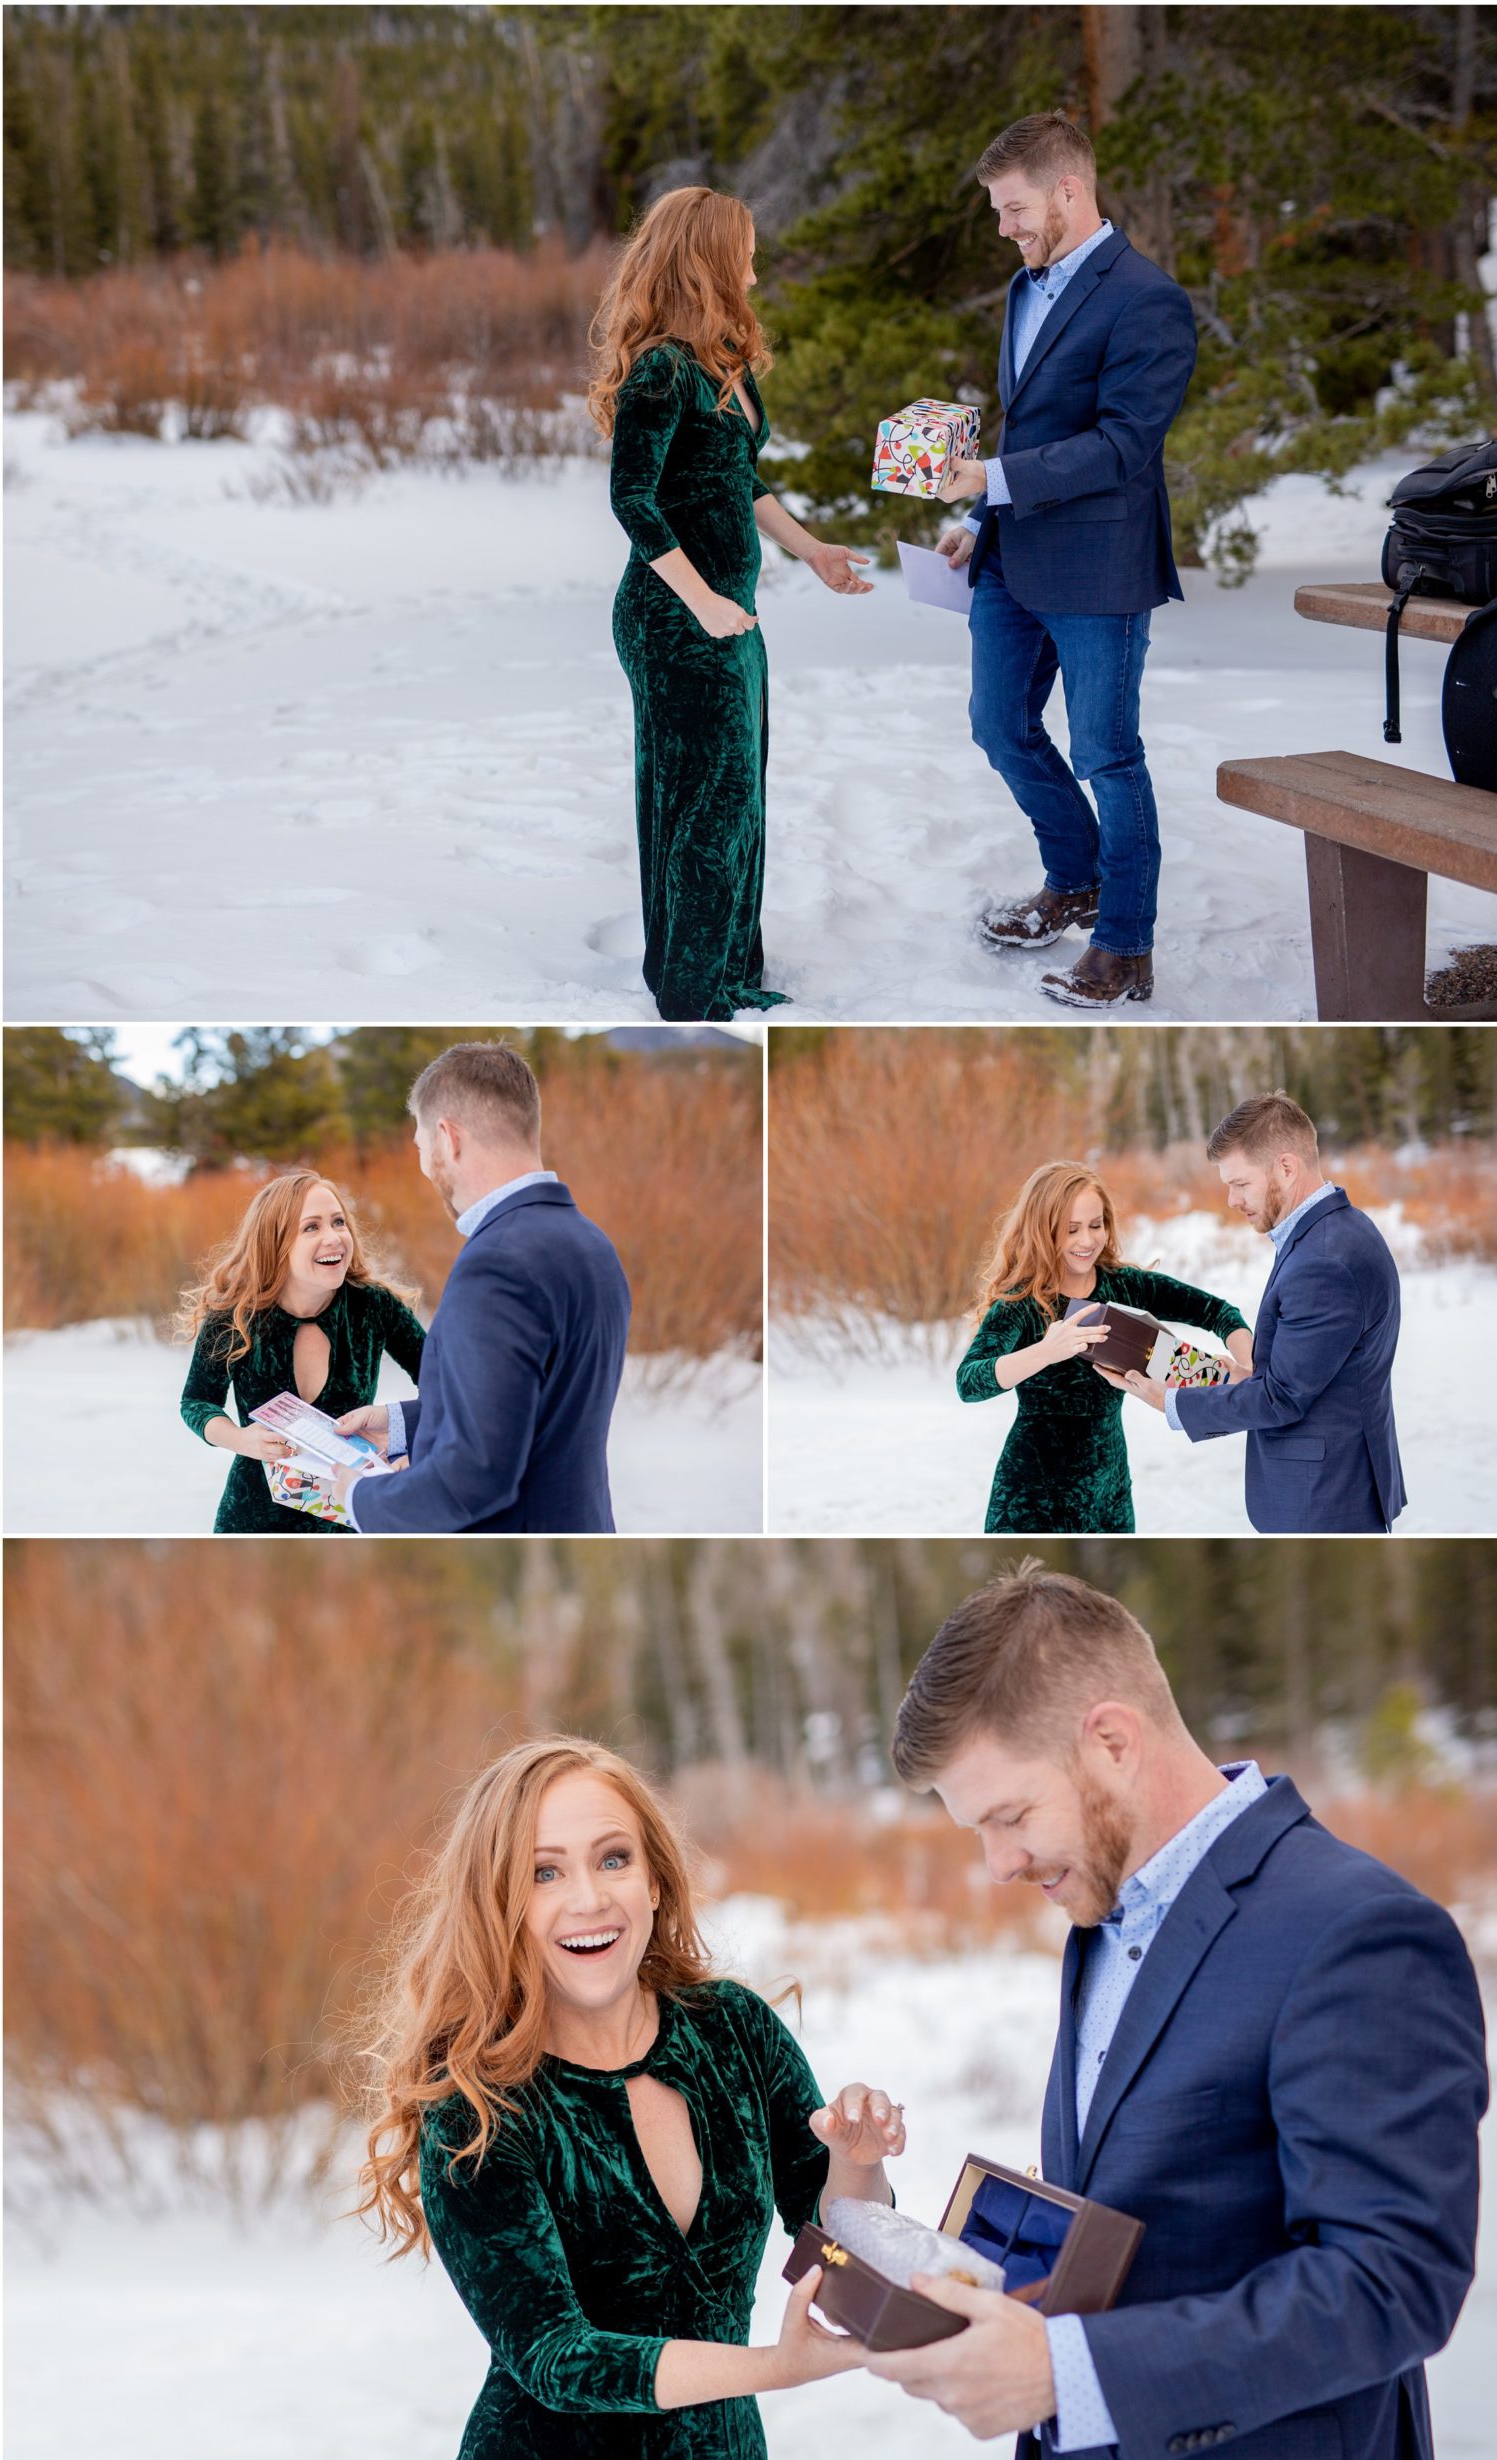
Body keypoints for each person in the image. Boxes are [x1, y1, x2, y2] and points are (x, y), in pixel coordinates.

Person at [868, 1560, 1487, 2460]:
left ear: (1109, 1741)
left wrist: (1069, 2373)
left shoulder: (1354, 1931)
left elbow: (1391, 2279)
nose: (995, 1866)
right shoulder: (1100, 1922)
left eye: (1008, 1816)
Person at [358, 1736, 898, 2460]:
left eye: (612, 1859)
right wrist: (772, 2367)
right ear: (500, 1903)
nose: (587, 1899)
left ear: (654, 1878)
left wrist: (856, 2156)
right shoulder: (475, 2105)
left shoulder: (733, 2035)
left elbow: (835, 2252)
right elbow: (557, 2358)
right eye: (544, 1873)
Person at [589, 186, 873, 1024]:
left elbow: (738, 479)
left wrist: (812, 549)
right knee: (703, 802)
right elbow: (633, 501)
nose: (755, 262)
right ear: (709, 256)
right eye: (745, 247)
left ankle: (723, 969)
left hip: (729, 614)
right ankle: (692, 991)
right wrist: (705, 602)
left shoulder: (721, 361)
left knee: (736, 793)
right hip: (673, 618)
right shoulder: (661, 371)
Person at [935, 114, 1198, 1011]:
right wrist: (979, 510)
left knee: (1107, 753)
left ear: (1067, 192)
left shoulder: (1146, 300)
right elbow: (1026, 424)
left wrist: (995, 476)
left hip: (1096, 568)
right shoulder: (1025, 286)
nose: (1003, 228)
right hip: (1009, 555)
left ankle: (1124, 945)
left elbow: (1124, 445)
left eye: (1012, 209)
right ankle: (1074, 878)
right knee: (998, 724)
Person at [332, 1043, 629, 1534]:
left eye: (421, 1147)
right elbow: (532, 1407)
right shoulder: (591, 1243)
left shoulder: (498, 1263)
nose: (426, 1167)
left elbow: (474, 1477)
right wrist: (406, 1423)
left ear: (448, 1139)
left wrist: (360, 1498)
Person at [1104, 1092, 1406, 1532]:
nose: (1230, 1199)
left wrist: (1169, 1401)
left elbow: (1282, 1398)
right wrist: (1247, 1377)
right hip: (1333, 1484)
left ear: (1286, 1167)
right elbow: (1310, 1374)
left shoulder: (1324, 1259)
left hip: (1324, 1497)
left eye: (1240, 1183)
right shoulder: (1335, 1231)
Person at [956, 1161, 1252, 1532]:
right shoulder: (1023, 1303)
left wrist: (1249, 1365)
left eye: (1096, 1225)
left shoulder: (1124, 1286)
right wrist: (1047, 1351)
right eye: (1071, 1230)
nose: (1087, 1240)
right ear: (1042, 1231)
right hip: (1030, 1500)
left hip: (1108, 1495)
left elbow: (1218, 1312)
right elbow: (968, 1382)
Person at [176, 1170, 425, 1534]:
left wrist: (407, 1451)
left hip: (350, 1512)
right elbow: (196, 1401)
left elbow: (447, 1385)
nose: (334, 1237)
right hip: (253, 1517)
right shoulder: (236, 1316)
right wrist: (241, 1439)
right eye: (311, 1227)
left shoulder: (373, 1307)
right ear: (276, 1244)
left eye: (338, 1222)